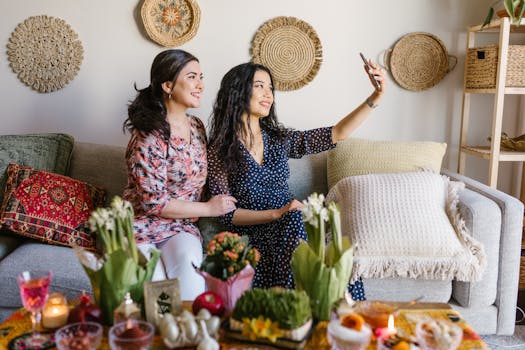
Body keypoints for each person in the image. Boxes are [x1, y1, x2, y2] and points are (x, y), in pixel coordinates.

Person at [207, 60, 386, 292]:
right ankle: (304, 308)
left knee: (337, 258)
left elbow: (337, 133)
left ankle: (341, 317)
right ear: (238, 91)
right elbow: (227, 214)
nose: (268, 94)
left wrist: (376, 97)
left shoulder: (279, 139)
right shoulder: (219, 150)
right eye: (260, 86)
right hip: (258, 229)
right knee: (294, 223)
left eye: (271, 88)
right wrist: (276, 214)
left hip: (293, 225)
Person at [122, 49, 237, 300]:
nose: (201, 85)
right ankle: (164, 335)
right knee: (161, 296)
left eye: (201, 77)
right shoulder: (148, 136)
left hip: (180, 227)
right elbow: (155, 203)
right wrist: (208, 209)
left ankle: (192, 336)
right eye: (192, 77)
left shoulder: (197, 127)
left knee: (190, 283)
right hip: (140, 227)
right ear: (168, 85)